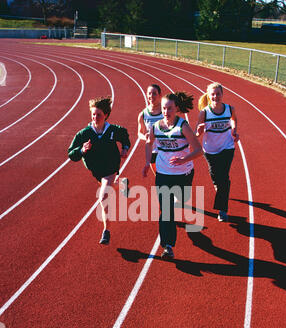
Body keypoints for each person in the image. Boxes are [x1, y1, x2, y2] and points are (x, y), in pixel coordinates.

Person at [142, 91, 203, 259]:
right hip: (163, 173)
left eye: (169, 108)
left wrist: (184, 159)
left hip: (183, 173)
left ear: (176, 108)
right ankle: (168, 246)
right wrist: (148, 162)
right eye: (163, 108)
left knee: (181, 200)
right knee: (166, 211)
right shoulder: (156, 127)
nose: (166, 112)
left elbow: (199, 151)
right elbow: (148, 143)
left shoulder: (183, 126)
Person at [68, 96, 131, 244]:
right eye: (93, 114)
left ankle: (106, 231)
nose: (96, 117)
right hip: (96, 171)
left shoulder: (113, 130)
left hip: (110, 167)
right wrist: (82, 150)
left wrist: (125, 148)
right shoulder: (84, 134)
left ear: (106, 115)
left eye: (99, 115)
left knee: (103, 197)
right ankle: (121, 183)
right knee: (106, 187)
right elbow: (71, 154)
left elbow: (125, 136)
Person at [195, 82, 239, 222]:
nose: (215, 97)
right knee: (216, 177)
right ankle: (218, 186)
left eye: (218, 94)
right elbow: (196, 133)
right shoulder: (204, 113)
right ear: (208, 95)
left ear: (222, 94)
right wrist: (199, 131)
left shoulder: (229, 109)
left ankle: (222, 210)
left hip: (227, 147)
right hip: (210, 150)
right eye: (213, 94)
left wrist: (234, 130)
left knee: (224, 178)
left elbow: (234, 120)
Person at [137, 84, 164, 175]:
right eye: (149, 93)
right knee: (159, 178)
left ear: (160, 95)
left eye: (154, 93)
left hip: (166, 150)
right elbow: (140, 133)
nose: (151, 96)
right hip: (153, 151)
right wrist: (145, 137)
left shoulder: (166, 111)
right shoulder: (143, 114)